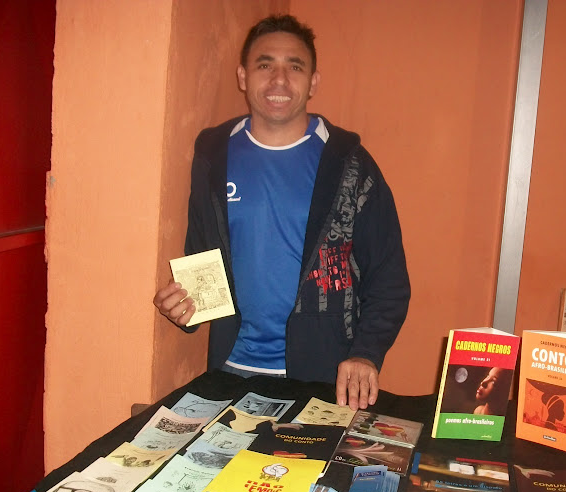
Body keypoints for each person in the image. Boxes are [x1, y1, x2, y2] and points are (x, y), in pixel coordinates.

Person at [153, 14, 410, 411]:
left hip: (324, 380)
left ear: (313, 82)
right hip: (231, 374)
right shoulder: (212, 156)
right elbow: (203, 260)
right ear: (243, 76)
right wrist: (184, 308)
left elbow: (388, 279)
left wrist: (366, 353)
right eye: (264, 65)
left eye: (295, 67)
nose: (279, 79)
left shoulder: (349, 164)